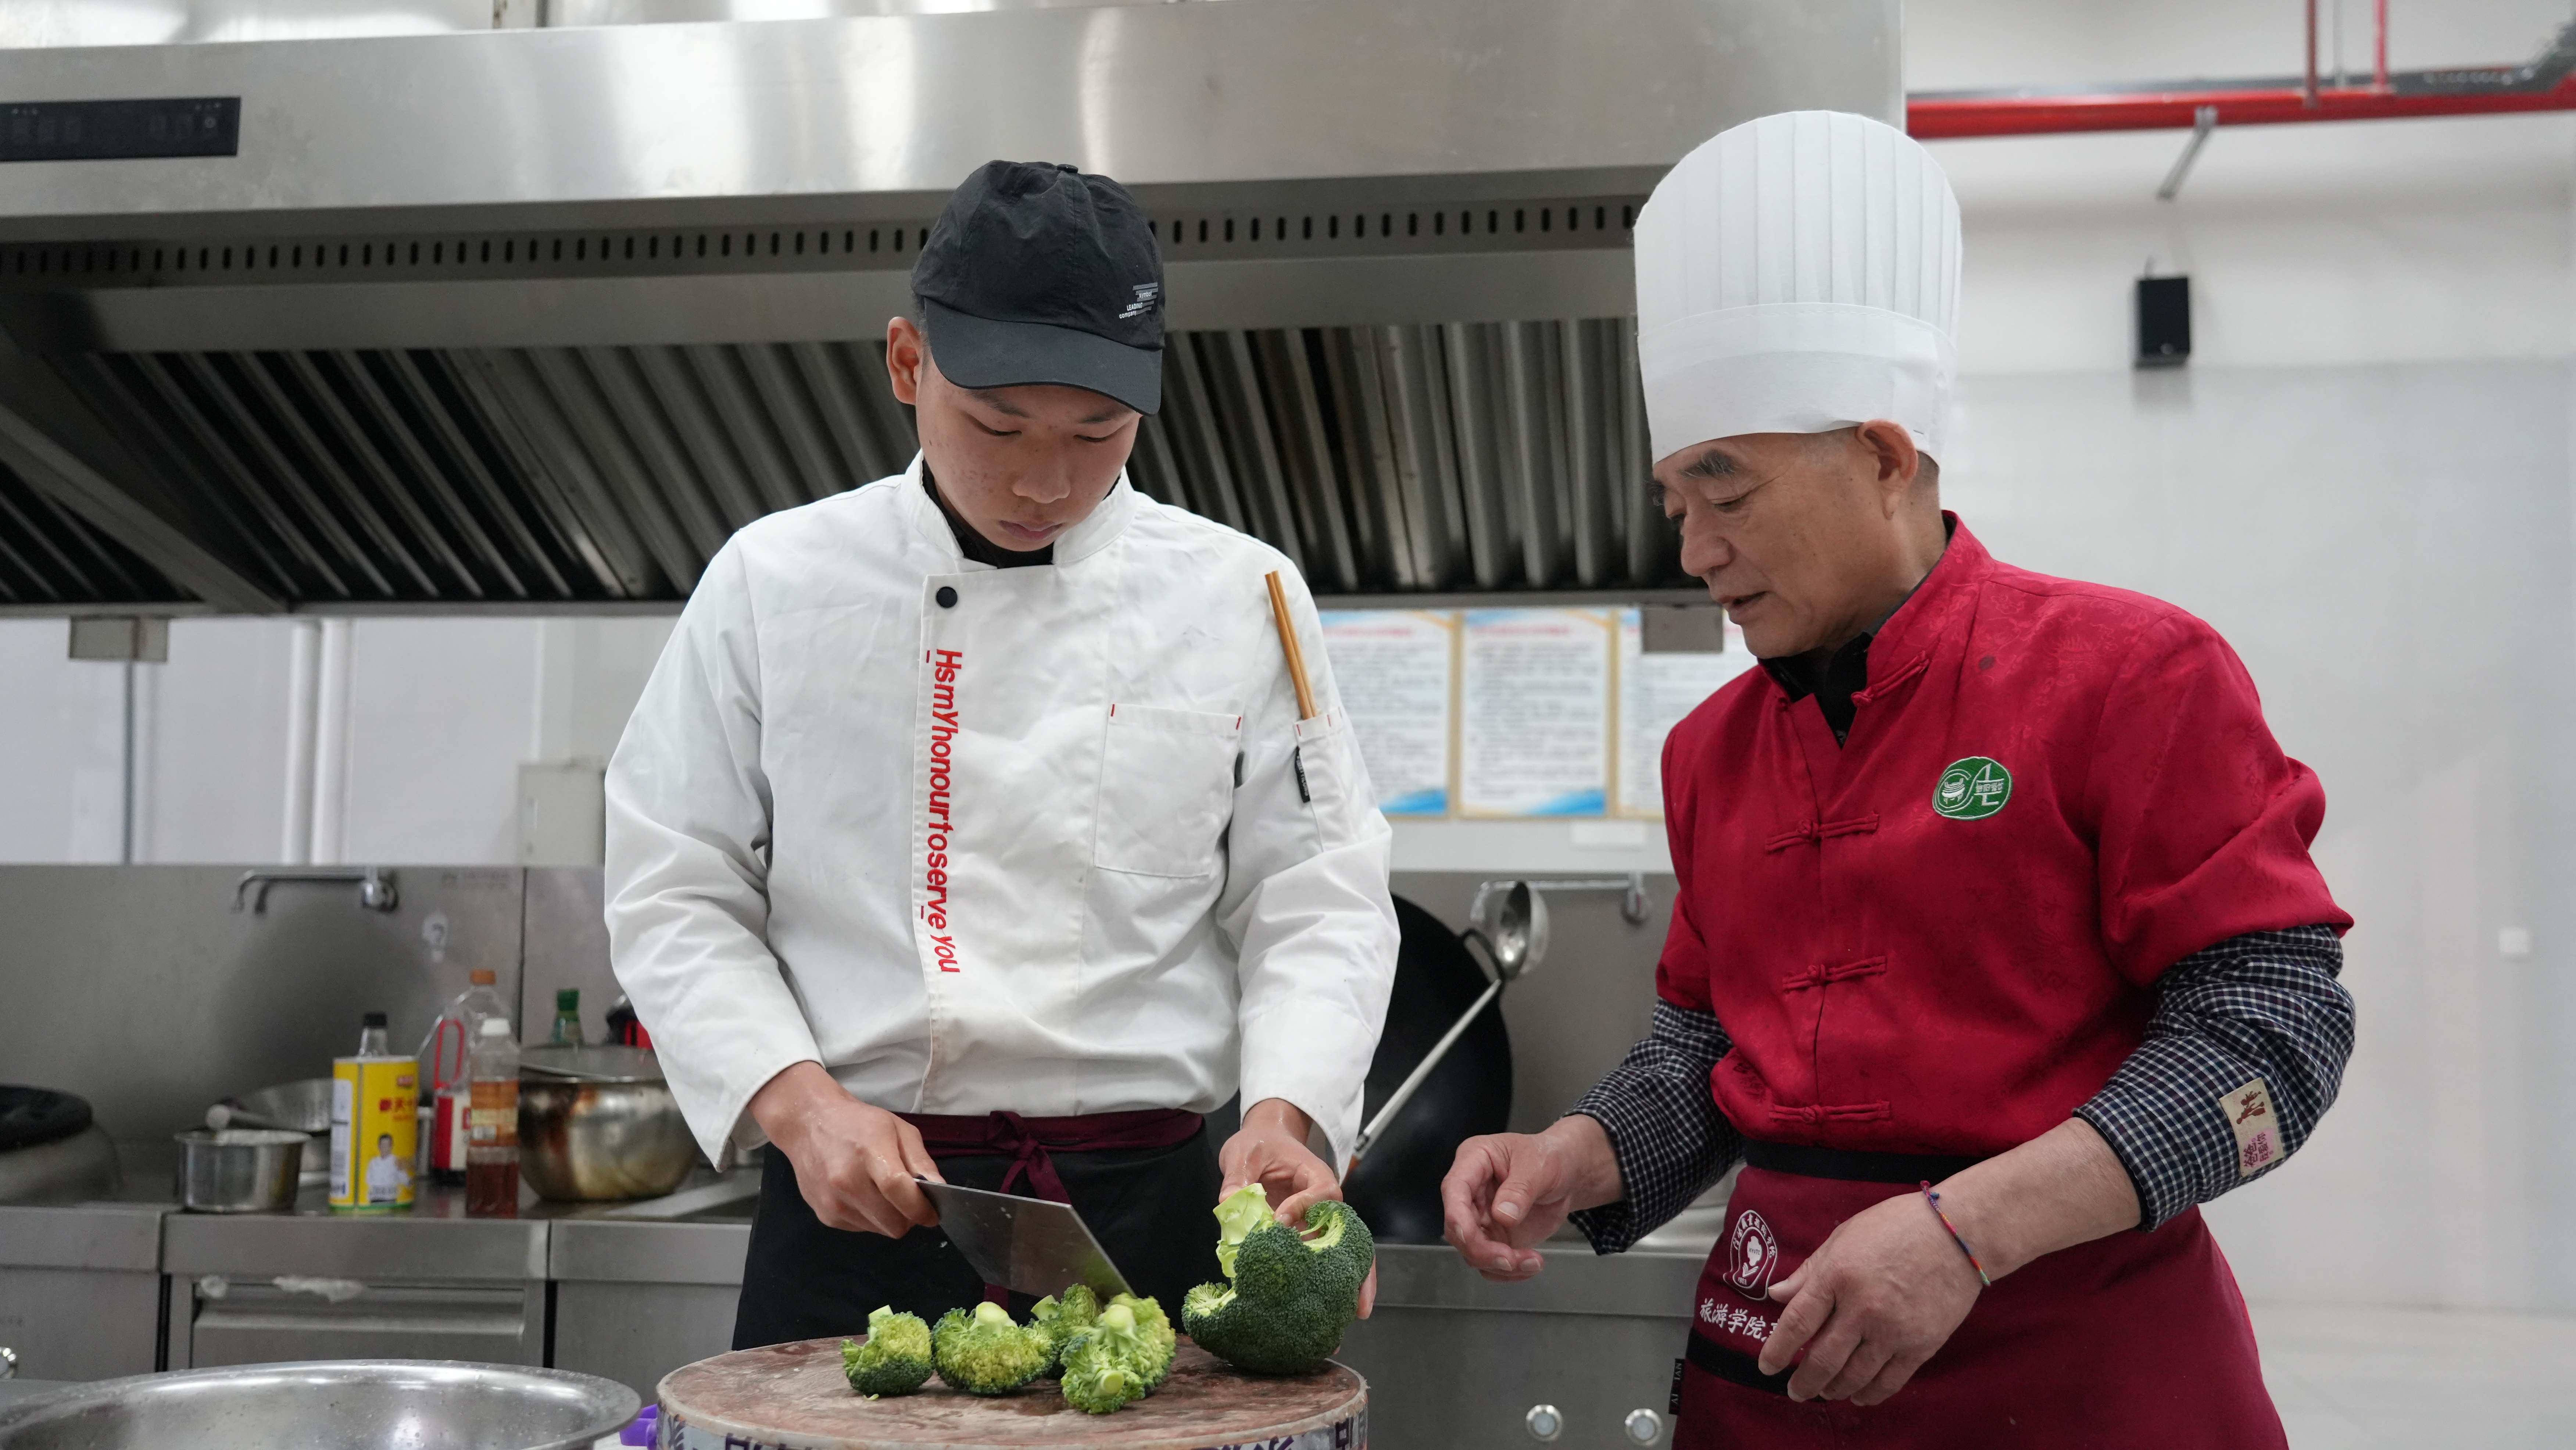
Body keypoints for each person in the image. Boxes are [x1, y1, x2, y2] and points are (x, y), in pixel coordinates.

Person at [1438, 111, 2354, 1446]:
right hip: (1776, 1386)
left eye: (1727, 491)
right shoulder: (1711, 753)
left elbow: (2275, 1033)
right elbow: (1709, 1050)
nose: (1694, 549)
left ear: (1881, 456)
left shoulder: (2131, 675)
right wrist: (1579, 1156)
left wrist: (1965, 1232)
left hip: (2084, 1381)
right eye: (1675, 503)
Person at [605, 160, 1397, 1346]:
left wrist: (1288, 1115)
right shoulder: (775, 583)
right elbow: (675, 882)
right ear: (907, 363)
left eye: (1099, 433)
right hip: (853, 1205)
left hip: (1149, 1223)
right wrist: (797, 1104)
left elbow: (1318, 898)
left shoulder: (1243, 596)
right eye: (999, 425)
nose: (1046, 480)